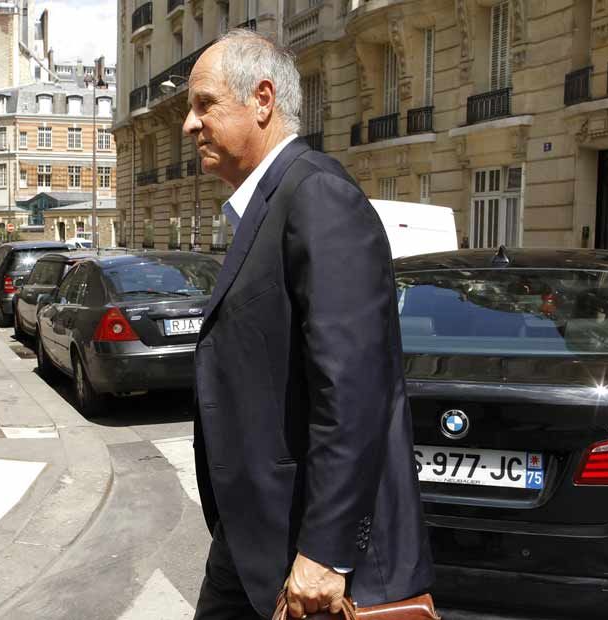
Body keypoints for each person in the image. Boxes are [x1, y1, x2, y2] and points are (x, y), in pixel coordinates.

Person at [186, 30, 434, 620]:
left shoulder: (317, 194)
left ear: (262, 100)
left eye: (204, 104)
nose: (191, 125)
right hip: (255, 540)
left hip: (308, 554)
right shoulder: (271, 202)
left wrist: (326, 551)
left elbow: (353, 390)